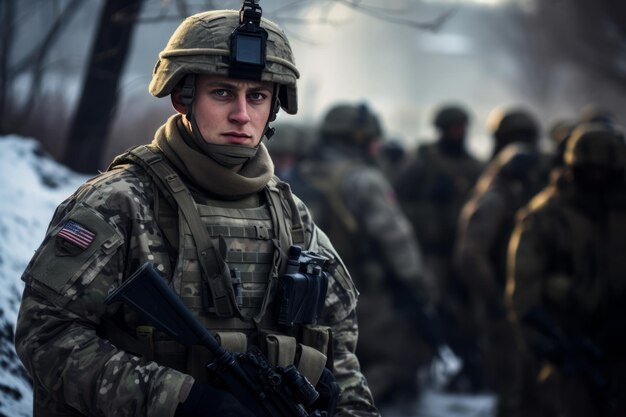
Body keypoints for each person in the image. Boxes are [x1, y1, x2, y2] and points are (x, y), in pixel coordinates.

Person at [14, 4, 380, 417]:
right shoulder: (120, 203)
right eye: (222, 93)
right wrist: (180, 400)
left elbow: (341, 353)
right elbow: (45, 336)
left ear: (272, 109)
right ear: (182, 97)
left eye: (257, 96)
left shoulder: (292, 217)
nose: (242, 115)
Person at [300, 102, 457, 408]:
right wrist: (425, 290)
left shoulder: (299, 174)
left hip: (305, 297)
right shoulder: (363, 180)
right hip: (361, 298)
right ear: (357, 139)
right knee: (405, 357)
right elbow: (399, 244)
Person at [506, 123, 626, 417]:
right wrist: (549, 348)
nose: (598, 178)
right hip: (569, 346)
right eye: (590, 170)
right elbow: (523, 295)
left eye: (605, 171)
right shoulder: (545, 217)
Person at [453, 143, 542, 413]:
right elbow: (471, 254)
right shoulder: (495, 198)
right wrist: (493, 295)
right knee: (509, 374)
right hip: (499, 295)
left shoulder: (510, 194)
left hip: (511, 292)